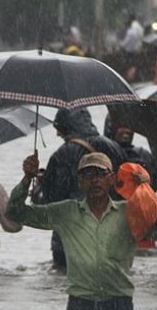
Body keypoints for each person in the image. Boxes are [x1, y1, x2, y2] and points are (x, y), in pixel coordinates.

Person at [7, 152, 157, 310]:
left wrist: (145, 192)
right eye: (88, 175)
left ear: (112, 179)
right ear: (80, 181)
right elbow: (15, 212)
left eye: (100, 174)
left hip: (118, 305)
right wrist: (27, 179)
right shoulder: (66, 213)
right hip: (80, 306)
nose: (95, 180)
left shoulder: (130, 213)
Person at [37, 108, 125, 268]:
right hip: (110, 231)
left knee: (66, 283)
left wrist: (40, 187)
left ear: (67, 127)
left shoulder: (63, 154)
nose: (58, 134)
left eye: (59, 129)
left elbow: (52, 202)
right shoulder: (114, 147)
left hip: (70, 235)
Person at [120, 14, 145, 82]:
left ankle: (130, 77)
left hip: (130, 50)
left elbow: (129, 39)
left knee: (130, 65)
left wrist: (122, 45)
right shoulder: (139, 27)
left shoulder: (133, 28)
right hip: (137, 49)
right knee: (135, 64)